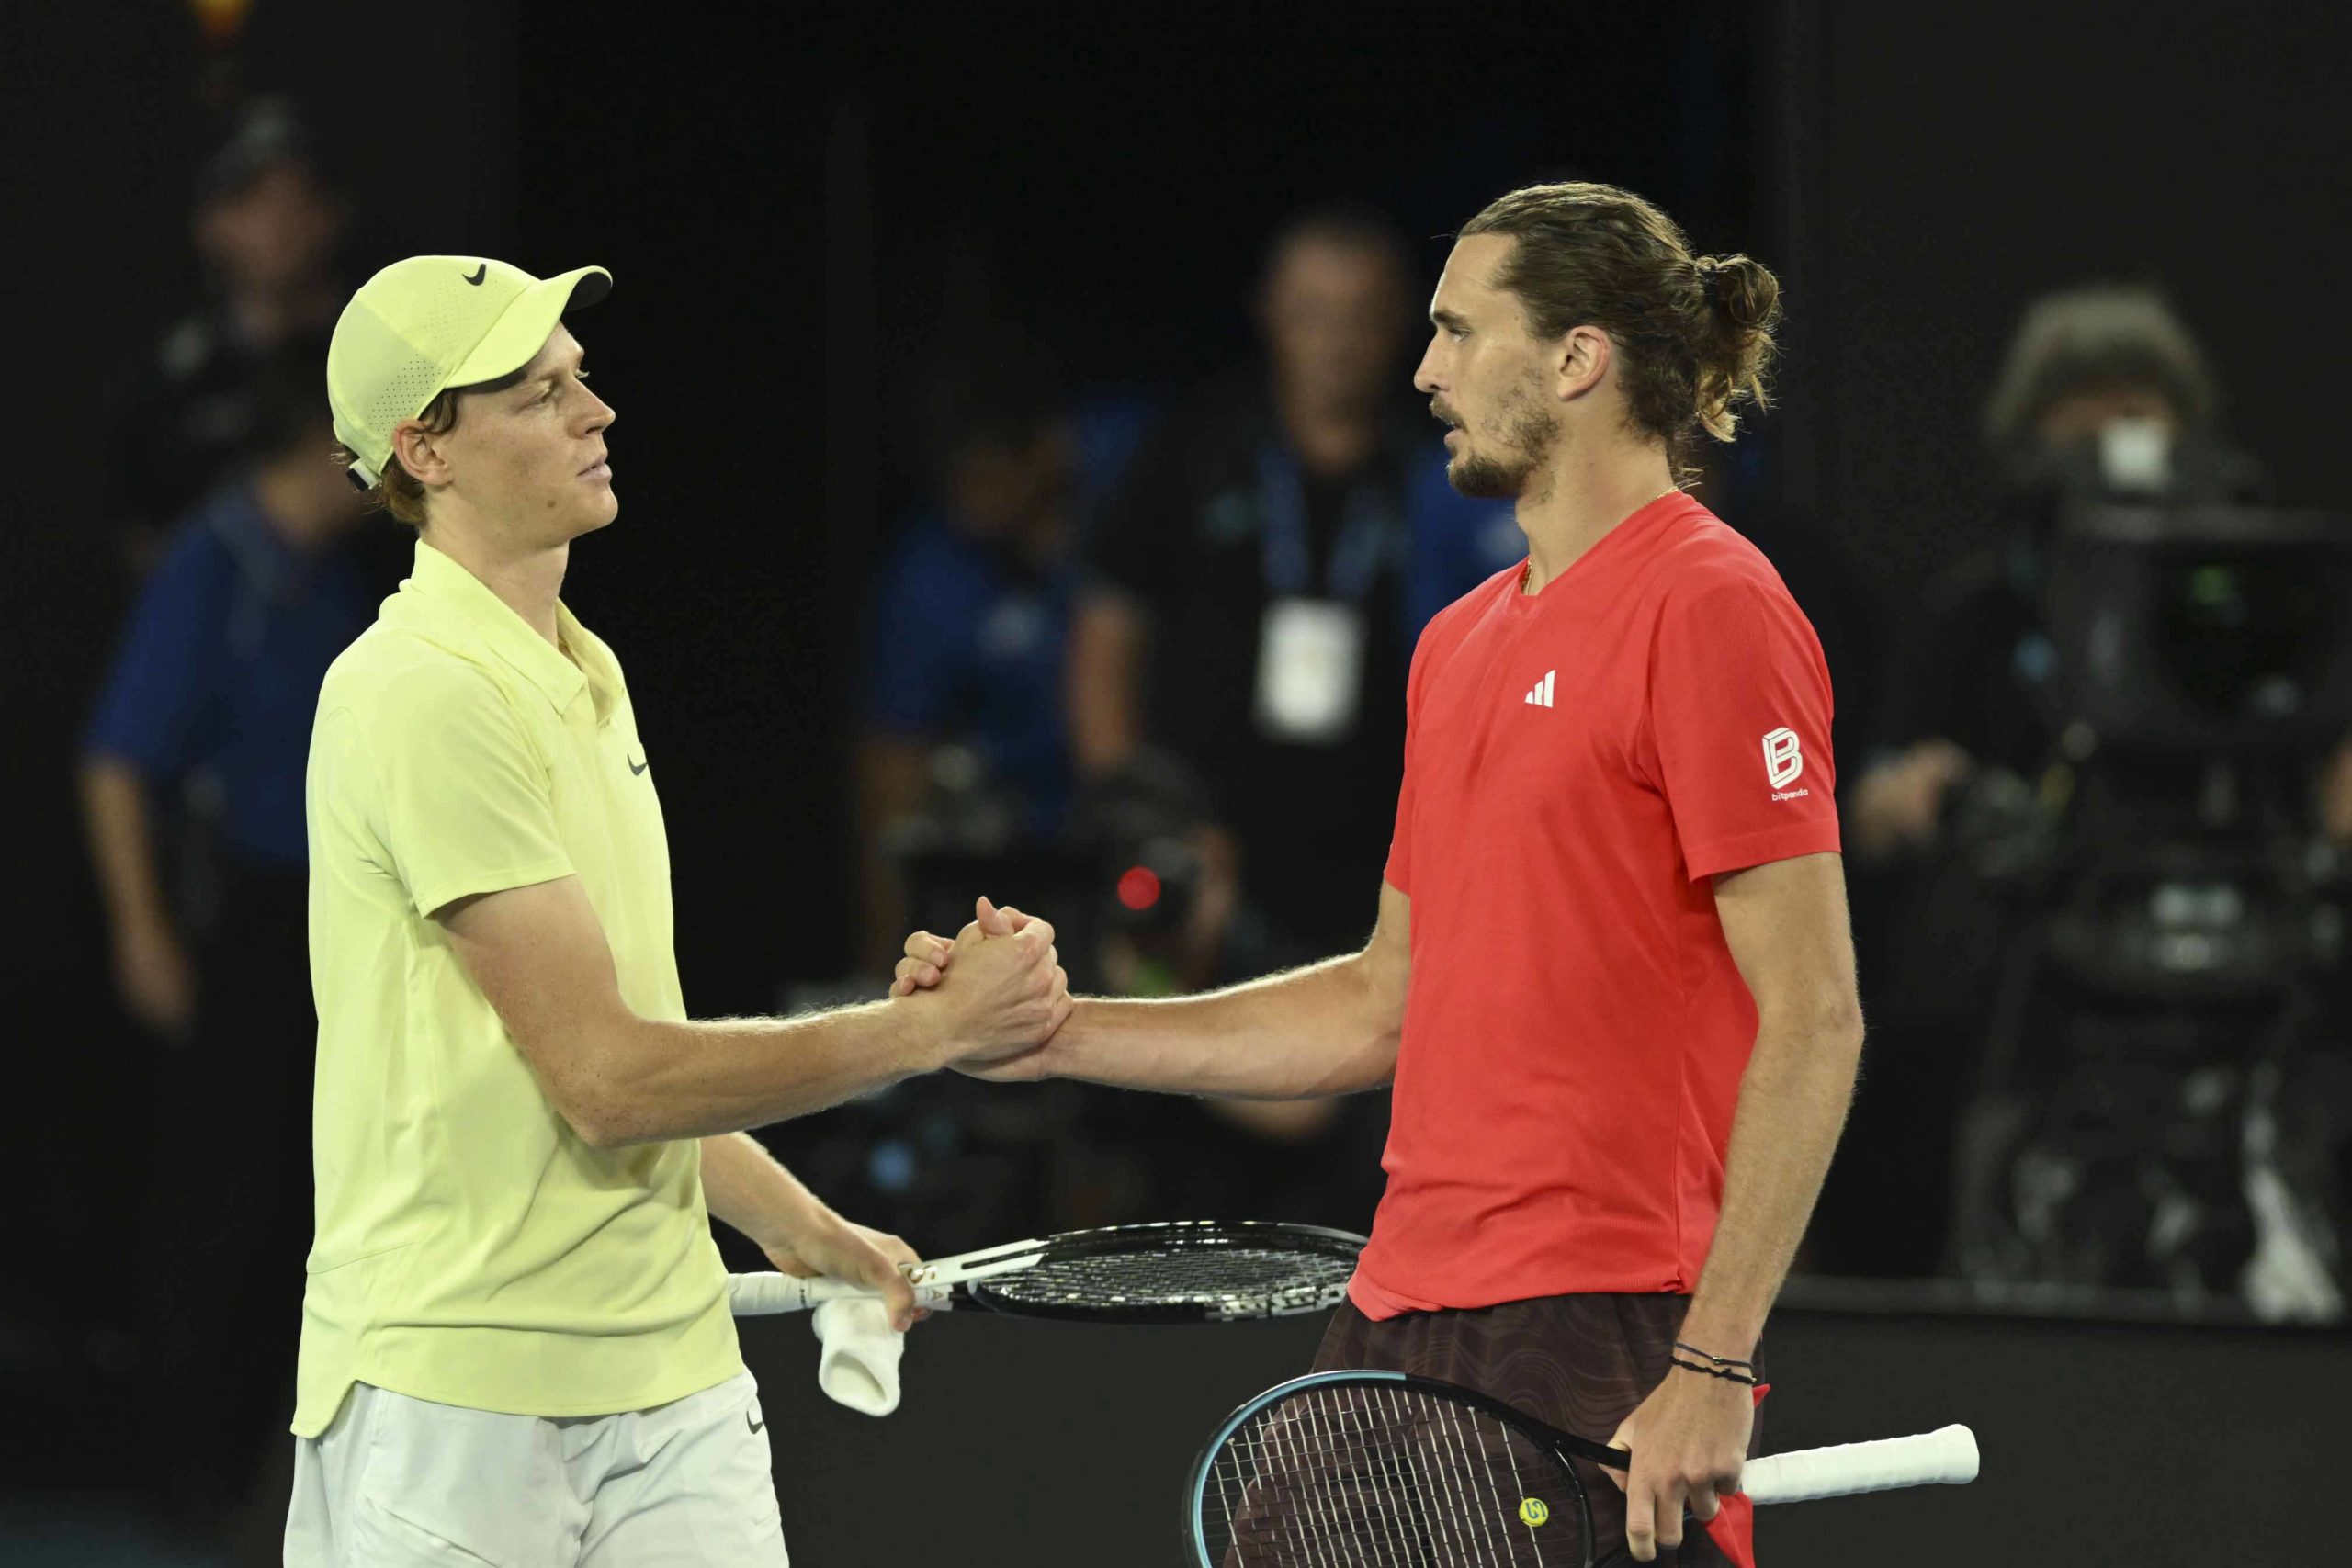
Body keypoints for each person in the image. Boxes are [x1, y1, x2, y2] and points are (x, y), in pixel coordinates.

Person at [900, 182, 1862, 1565]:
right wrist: (1049, 1034)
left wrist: (1713, 1360)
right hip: (1401, 1306)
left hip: (1604, 1312)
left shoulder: (1712, 604)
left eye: (1460, 331)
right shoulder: (1456, 646)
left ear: (1577, 358)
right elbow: (1379, 1002)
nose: (1423, 371)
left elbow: (1816, 1012)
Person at [287, 255, 1069, 1562]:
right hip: (457, 1405)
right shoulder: (417, 689)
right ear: (426, 449)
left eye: (579, 379)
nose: (595, 411)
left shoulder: (584, 670)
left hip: (675, 1380)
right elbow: (609, 1082)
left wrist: (806, 1230)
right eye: (538, 395)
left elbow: (630, 1059)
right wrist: (924, 1033)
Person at [79, 333, 379, 1529]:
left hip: (338, 916)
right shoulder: (215, 558)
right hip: (240, 913)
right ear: (325, 438)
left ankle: (282, 1459)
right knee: (224, 1191)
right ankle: (194, 1467)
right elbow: (117, 758)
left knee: (313, 1189)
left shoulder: (342, 572)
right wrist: (141, 929)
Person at [105, 98, 348, 570]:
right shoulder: (171, 382)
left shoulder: (392, 363)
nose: (279, 222)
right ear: (211, 223)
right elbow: (142, 547)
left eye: (299, 197)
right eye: (253, 200)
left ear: (333, 215)